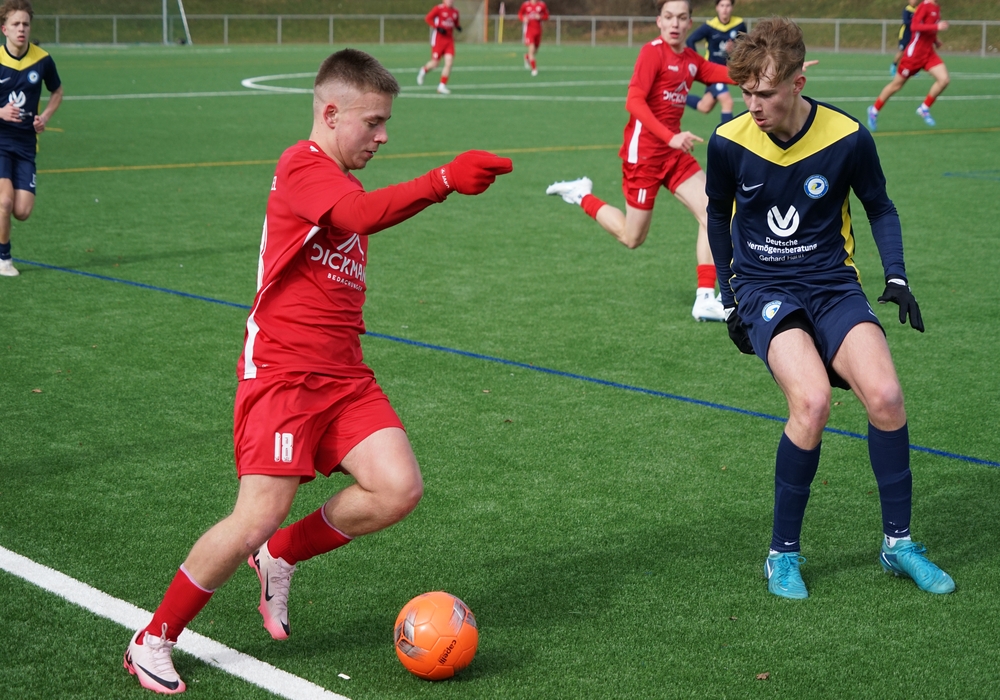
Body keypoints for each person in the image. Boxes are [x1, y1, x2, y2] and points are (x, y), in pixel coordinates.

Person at [123, 48, 512, 695]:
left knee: (396, 488)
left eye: (385, 124)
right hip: (283, 374)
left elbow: (357, 216)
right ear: (331, 114)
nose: (382, 137)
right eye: (372, 122)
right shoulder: (301, 166)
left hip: (343, 375)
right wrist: (443, 180)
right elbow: (358, 216)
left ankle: (280, 556)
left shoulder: (342, 182)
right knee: (253, 517)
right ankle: (153, 638)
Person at [706, 17, 954, 600]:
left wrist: (896, 276)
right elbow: (716, 215)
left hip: (833, 285)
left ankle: (898, 544)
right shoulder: (728, 141)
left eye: (765, 93)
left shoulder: (846, 136)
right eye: (746, 92)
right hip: (766, 288)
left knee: (886, 397)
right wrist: (729, 293)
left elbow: (879, 206)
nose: (754, 105)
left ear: (798, 82)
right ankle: (782, 554)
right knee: (812, 402)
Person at [546, 0, 735, 322]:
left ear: (690, 23)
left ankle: (705, 298)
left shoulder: (691, 60)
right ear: (659, 21)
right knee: (632, 238)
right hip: (644, 157)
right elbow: (634, 101)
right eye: (669, 17)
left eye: (682, 18)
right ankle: (581, 194)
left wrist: (782, 70)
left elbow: (728, 74)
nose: (675, 23)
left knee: (713, 210)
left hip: (674, 154)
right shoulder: (652, 53)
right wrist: (669, 136)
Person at [0, 0, 62, 278]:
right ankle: (4, 258)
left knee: (22, 211)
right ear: (4, 29)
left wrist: (44, 117)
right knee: (4, 202)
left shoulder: (43, 60)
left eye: (25, 24)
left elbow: (57, 91)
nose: (21, 29)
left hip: (26, 145)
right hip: (0, 141)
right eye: (15, 24)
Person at [868, 0, 949, 131]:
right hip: (914, 55)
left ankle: (924, 108)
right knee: (896, 85)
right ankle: (874, 110)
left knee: (944, 79)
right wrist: (936, 27)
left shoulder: (936, 7)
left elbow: (928, 28)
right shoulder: (924, 6)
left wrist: (935, 40)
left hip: (928, 53)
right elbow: (914, 26)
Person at [684, 0, 747, 124]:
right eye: (722, 5)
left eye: (728, 5)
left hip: (726, 71)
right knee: (727, 102)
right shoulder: (709, 26)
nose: (725, 9)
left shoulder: (739, 25)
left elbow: (746, 46)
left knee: (704, 106)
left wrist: (735, 48)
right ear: (717, 7)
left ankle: (678, 96)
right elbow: (690, 40)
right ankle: (727, 136)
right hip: (711, 71)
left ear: (732, 7)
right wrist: (696, 61)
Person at [417, 0, 462, 95]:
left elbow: (455, 22)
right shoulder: (438, 9)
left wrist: (458, 27)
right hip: (438, 40)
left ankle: (441, 86)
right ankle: (423, 70)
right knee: (435, 64)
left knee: (449, 63)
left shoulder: (455, 12)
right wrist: (437, 27)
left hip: (449, 40)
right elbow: (428, 18)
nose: (450, 1)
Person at [519, 0, 549, 77]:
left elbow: (547, 16)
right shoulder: (525, 5)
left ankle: (527, 57)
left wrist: (540, 17)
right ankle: (534, 69)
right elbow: (520, 14)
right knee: (531, 49)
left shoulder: (542, 5)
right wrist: (523, 19)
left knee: (535, 51)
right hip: (529, 31)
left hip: (538, 31)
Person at [890, 3, 917, 76]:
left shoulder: (917, 9)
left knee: (912, 52)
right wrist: (915, 23)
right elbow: (906, 21)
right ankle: (893, 66)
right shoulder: (907, 9)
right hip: (905, 34)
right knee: (902, 51)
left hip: (913, 34)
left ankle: (912, 69)